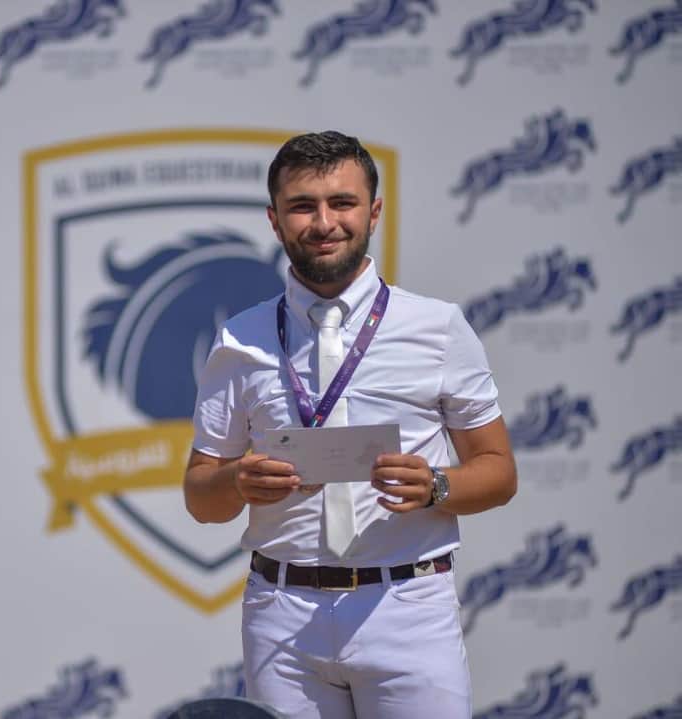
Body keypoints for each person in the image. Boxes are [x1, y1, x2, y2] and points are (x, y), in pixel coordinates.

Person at [184, 131, 517, 719]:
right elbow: (200, 498)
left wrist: (437, 486)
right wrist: (236, 481)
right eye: (302, 206)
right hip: (283, 616)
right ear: (274, 220)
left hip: (408, 607)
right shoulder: (240, 339)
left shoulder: (438, 327)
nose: (324, 223)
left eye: (342, 203)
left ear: (374, 212)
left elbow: (499, 472)